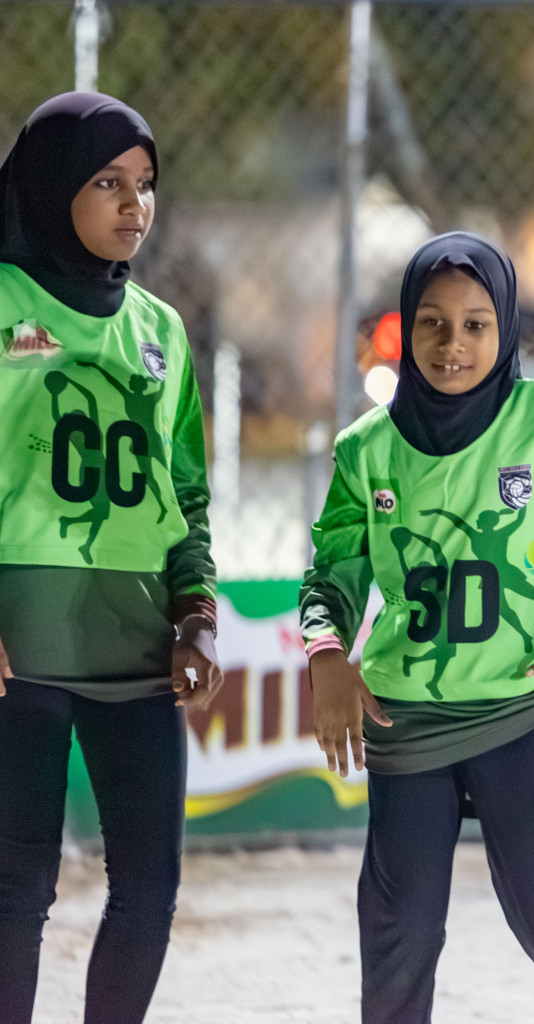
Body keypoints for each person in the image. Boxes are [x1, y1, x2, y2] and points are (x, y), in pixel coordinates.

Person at [300, 232, 534, 1024]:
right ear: (406, 327)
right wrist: (327, 653)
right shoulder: (366, 450)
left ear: (507, 327)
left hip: (526, 702)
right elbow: (333, 574)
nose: (452, 343)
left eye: (476, 325)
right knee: (401, 931)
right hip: (406, 713)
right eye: (432, 322)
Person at [0, 92, 222, 1024]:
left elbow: (187, 495)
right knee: (15, 890)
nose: (136, 204)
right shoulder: (4, 301)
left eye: (146, 183)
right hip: (21, 648)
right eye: (107, 182)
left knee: (149, 886)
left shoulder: (160, 329)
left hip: (136, 647)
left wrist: (197, 615)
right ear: (52, 187)